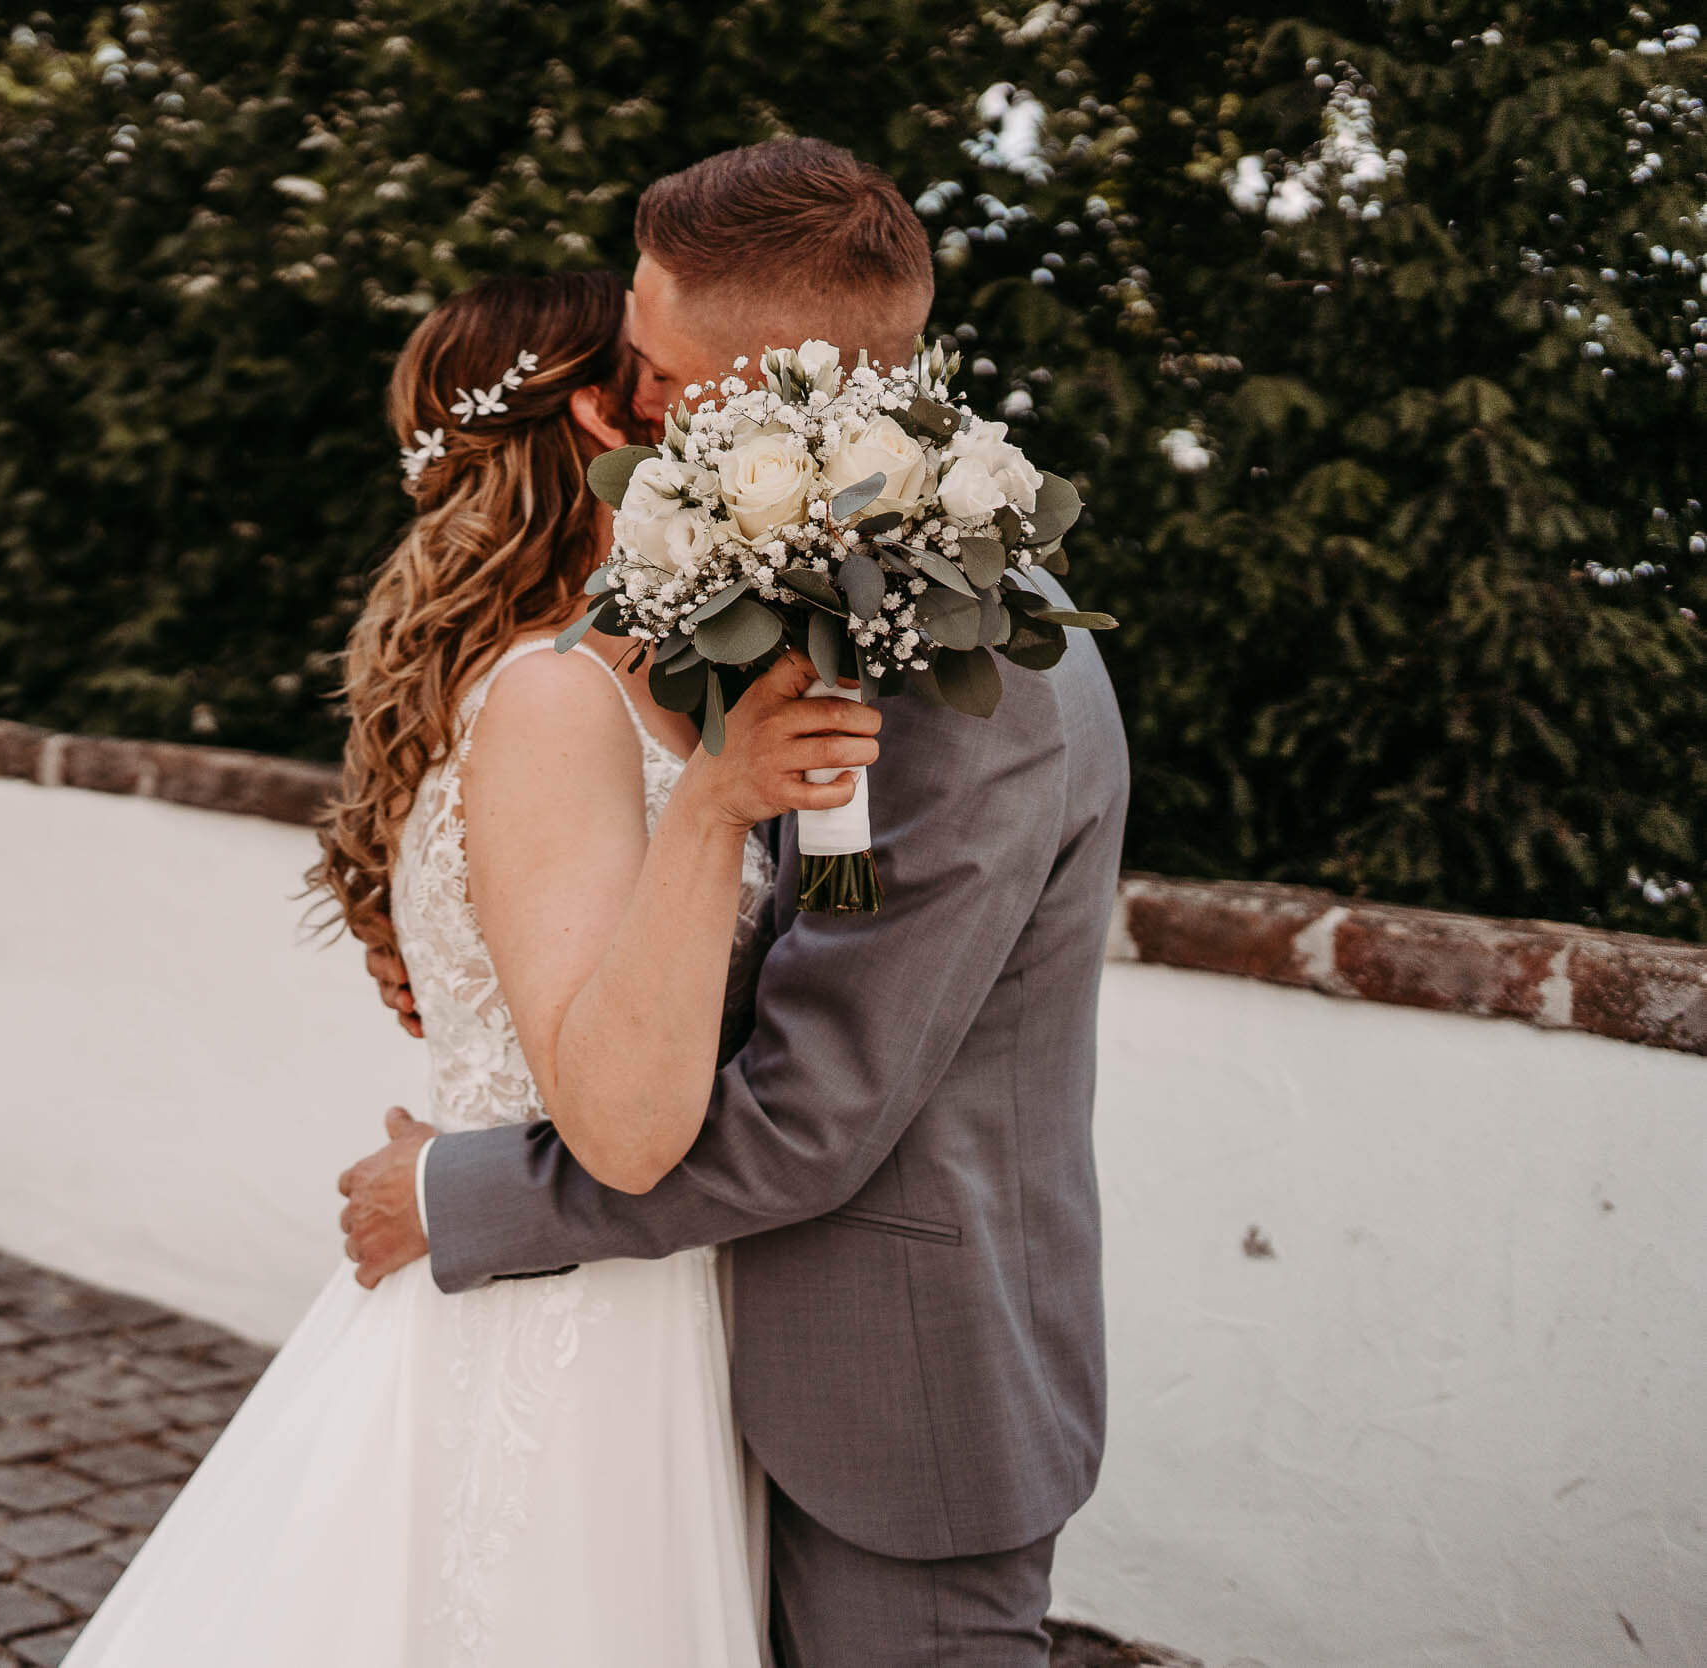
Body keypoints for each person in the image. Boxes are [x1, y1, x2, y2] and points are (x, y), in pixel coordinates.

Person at [339, 137, 1131, 1668]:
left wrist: (466, 1192)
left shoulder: (980, 676)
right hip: (690, 1367)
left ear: (744, 400)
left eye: (650, 364)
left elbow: (821, 1101)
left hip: (892, 1395)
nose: (628, 399)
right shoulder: (775, 589)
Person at [60, 263, 883, 1668]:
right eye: (667, 390)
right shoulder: (557, 698)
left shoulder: (612, 681)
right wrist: (722, 802)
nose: (711, 418)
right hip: (573, 1320)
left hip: (603, 1267)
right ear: (591, 423)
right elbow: (615, 1118)